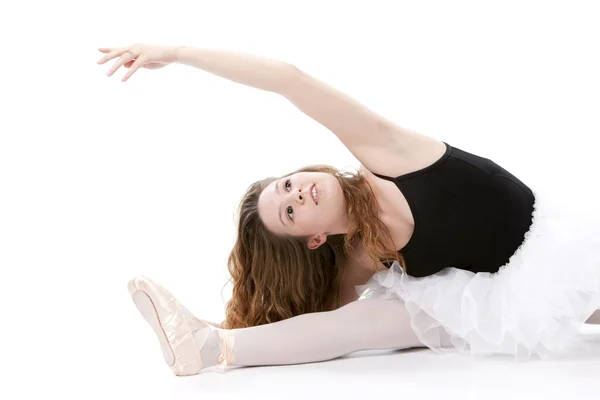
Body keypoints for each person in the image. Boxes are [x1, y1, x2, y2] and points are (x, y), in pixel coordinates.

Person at [97, 43, 600, 376]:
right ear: (314, 239)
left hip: (554, 251)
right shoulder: (360, 255)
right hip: (491, 293)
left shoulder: (385, 155)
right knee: (363, 324)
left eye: (288, 185)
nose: (298, 194)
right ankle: (210, 345)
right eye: (289, 213)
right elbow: (323, 327)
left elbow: (289, 79)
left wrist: (179, 53)